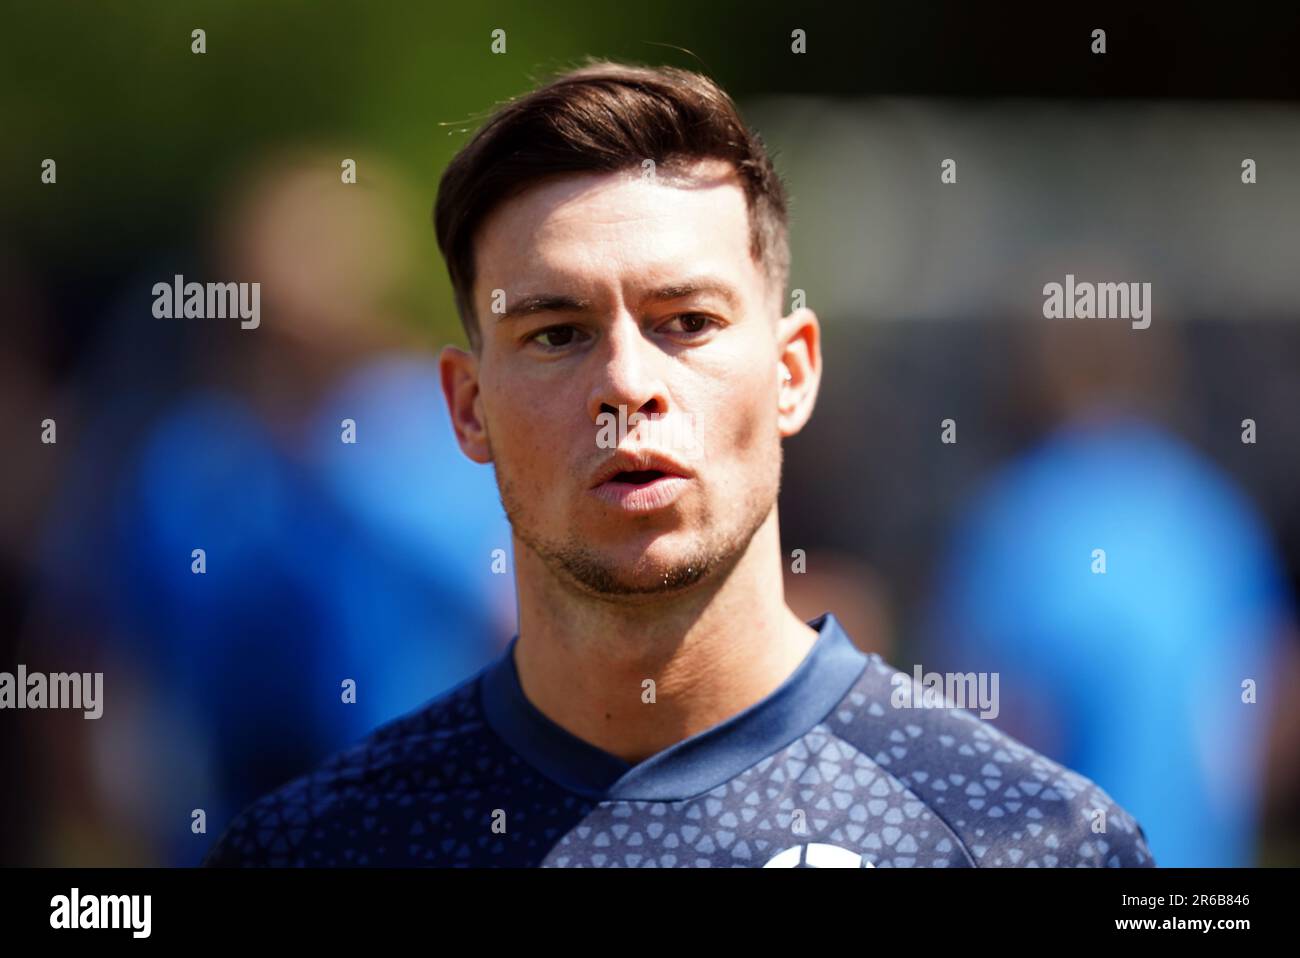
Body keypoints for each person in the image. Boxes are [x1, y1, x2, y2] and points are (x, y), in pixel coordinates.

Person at [204, 60, 1154, 867]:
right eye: (557, 332)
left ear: (792, 373)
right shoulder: (316, 847)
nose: (626, 382)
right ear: (469, 407)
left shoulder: (1026, 840)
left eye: (687, 323)